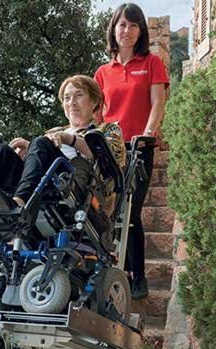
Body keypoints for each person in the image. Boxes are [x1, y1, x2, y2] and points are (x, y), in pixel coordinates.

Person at [0, 75, 125, 232]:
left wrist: (68, 139)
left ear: (94, 102)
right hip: (43, 183)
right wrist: (29, 150)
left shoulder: (108, 130)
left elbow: (110, 161)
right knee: (2, 152)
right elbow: (38, 158)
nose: (72, 103)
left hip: (77, 187)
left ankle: (18, 203)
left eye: (79, 96)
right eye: (67, 98)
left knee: (42, 143)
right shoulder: (52, 132)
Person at [94, 3, 169, 299]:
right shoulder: (102, 72)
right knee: (109, 213)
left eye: (134, 25)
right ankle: (115, 270)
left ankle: (138, 276)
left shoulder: (151, 63)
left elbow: (158, 103)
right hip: (111, 151)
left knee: (132, 212)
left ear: (141, 31)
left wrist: (149, 134)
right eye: (122, 24)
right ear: (114, 28)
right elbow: (98, 114)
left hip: (138, 148)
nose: (127, 30)